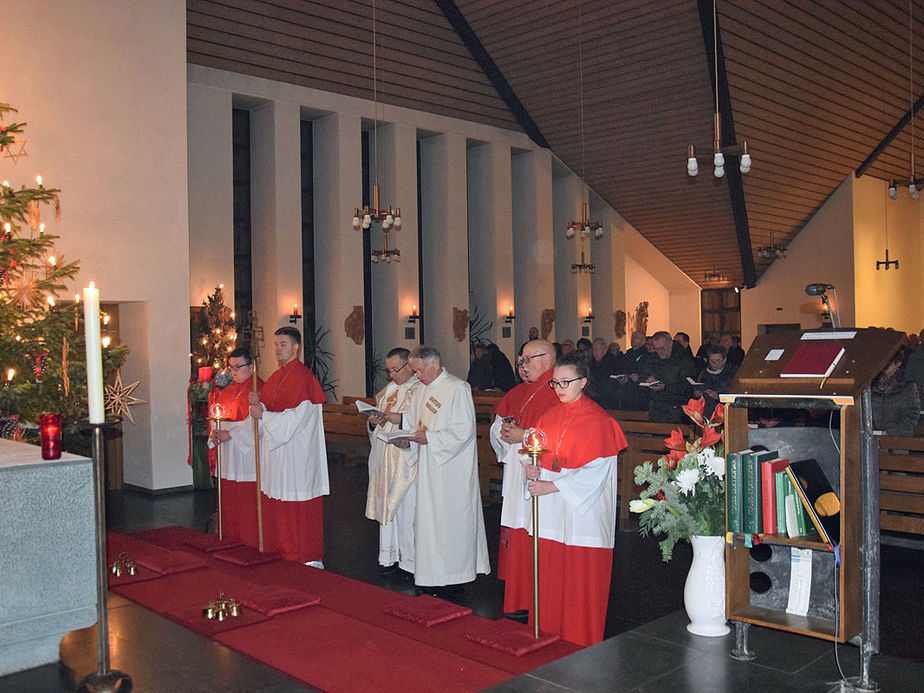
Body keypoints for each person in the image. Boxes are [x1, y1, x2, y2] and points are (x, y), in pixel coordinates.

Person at [521, 352, 627, 646]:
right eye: (554, 383)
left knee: (580, 576)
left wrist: (551, 487)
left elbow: (596, 473)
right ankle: (547, 633)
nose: (558, 389)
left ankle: (580, 638)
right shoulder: (548, 415)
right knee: (551, 573)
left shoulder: (601, 421)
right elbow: (537, 453)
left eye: (565, 382)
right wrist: (532, 467)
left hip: (584, 515)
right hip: (554, 511)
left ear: (583, 381)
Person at [392, 345, 490, 600]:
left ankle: (454, 579)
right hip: (427, 469)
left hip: (451, 471)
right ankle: (430, 577)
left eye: (419, 370)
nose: (417, 376)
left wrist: (429, 439)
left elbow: (463, 431)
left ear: (435, 365)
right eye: (414, 371)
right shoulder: (420, 391)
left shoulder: (457, 389)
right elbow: (414, 426)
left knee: (451, 524)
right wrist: (408, 441)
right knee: (428, 524)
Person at [238, 327, 329, 565]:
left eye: (283, 344)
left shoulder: (304, 378)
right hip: (279, 454)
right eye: (276, 344)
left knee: (298, 504)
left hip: (297, 453)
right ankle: (283, 547)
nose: (278, 349)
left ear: (296, 347)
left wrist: (264, 416)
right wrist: (259, 407)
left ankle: (305, 554)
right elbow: (268, 410)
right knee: (279, 502)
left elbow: (294, 421)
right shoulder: (276, 377)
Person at [489, 339, 559, 620]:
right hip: (516, 475)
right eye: (521, 360)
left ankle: (538, 596)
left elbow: (561, 437)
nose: (523, 365)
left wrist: (523, 435)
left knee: (536, 529)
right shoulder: (517, 392)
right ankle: (518, 594)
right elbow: (497, 428)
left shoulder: (558, 390)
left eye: (529, 359)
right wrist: (504, 434)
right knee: (517, 529)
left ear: (549, 359)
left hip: (543, 477)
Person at [364, 347, 421, 579]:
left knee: (407, 511)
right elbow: (379, 425)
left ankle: (409, 562)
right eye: (389, 371)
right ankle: (389, 557)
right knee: (387, 508)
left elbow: (421, 423)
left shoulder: (419, 390)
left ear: (409, 366)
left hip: (406, 460)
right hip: (383, 459)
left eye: (395, 370)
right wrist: (372, 422)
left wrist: (398, 424)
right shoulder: (387, 391)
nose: (392, 375)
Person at [207, 348, 264, 546]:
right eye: (231, 367)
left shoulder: (259, 388)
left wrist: (229, 434)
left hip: (246, 454)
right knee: (229, 497)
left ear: (251, 367)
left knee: (246, 499)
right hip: (228, 452)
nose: (233, 371)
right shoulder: (229, 390)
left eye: (237, 367)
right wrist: (215, 432)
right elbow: (218, 415)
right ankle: (228, 537)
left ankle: (248, 540)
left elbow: (257, 424)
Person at [641, 331, 694, 422]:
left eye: (662, 348)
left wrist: (665, 387)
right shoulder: (652, 358)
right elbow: (643, 377)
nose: (659, 352)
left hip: (676, 410)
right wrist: (647, 382)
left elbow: (687, 386)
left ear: (670, 343)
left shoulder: (684, 360)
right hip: (656, 409)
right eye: (656, 349)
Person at [872, 348, 921, 436]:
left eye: (890, 361)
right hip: (874, 437)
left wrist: (893, 432)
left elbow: (912, 415)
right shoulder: (871, 385)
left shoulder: (907, 386)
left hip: (899, 439)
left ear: (898, 363)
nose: (886, 364)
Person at [693, 344, 736, 419]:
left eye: (717, 361)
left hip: (724, 414)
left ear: (724, 360)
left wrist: (719, 397)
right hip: (706, 414)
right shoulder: (703, 373)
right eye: (712, 361)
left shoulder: (732, 373)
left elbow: (735, 396)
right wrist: (696, 395)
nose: (714, 363)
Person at [587, 336, 620, 410]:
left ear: (605, 350)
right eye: (593, 350)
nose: (595, 352)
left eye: (597, 350)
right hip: (593, 396)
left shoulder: (612, 362)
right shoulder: (590, 362)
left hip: (607, 398)